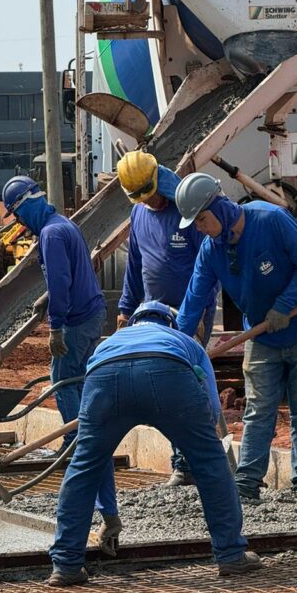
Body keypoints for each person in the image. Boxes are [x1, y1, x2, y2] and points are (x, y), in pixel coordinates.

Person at [47, 300, 262, 587]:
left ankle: (66, 564)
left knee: (85, 466)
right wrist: (198, 437)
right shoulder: (183, 340)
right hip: (168, 373)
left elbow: (97, 463)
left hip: (106, 377)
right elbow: (212, 409)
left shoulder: (107, 344)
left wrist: (110, 515)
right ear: (169, 323)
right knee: (210, 463)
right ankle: (231, 555)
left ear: (131, 323)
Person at [175, 173, 297, 502]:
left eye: (202, 220)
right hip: (262, 337)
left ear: (220, 208)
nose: (200, 228)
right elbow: (193, 301)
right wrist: (179, 348)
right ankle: (247, 483)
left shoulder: (271, 219)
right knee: (259, 409)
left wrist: (284, 306)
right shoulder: (211, 249)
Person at [1, 175, 118, 522]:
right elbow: (71, 275)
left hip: (77, 320)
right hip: (93, 312)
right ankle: (87, 436)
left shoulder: (51, 235)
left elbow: (61, 280)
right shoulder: (63, 225)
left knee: (63, 380)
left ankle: (77, 445)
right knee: (79, 382)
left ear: (26, 205)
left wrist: (56, 326)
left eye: (17, 214)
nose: (18, 222)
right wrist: (49, 299)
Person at [116, 150, 217, 486]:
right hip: (153, 315)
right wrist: (125, 309)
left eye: (154, 194)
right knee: (166, 384)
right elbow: (135, 266)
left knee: (189, 384)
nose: (153, 202)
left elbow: (207, 266)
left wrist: (199, 311)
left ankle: (195, 461)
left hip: (190, 313)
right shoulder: (139, 213)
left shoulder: (186, 211)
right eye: (145, 198)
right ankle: (183, 461)